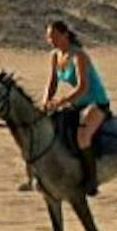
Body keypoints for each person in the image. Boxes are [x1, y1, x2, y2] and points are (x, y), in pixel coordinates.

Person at [40, 18, 111, 196]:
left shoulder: (78, 55)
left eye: (54, 36)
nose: (51, 41)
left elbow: (83, 87)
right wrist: (46, 101)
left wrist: (61, 101)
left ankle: (91, 179)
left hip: (96, 102)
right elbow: (52, 82)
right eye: (49, 37)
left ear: (65, 35)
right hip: (77, 103)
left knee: (82, 136)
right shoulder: (55, 56)